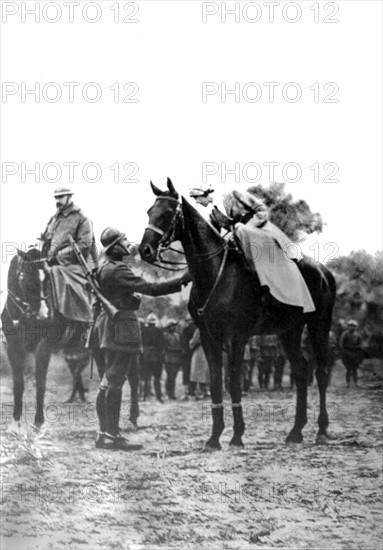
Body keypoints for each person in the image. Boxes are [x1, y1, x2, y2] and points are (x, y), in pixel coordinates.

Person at [93, 227, 190, 450]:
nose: (128, 243)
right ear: (114, 246)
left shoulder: (104, 267)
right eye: (123, 240)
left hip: (109, 326)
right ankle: (112, 435)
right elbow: (151, 288)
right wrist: (181, 280)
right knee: (116, 380)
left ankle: (103, 433)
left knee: (107, 382)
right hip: (122, 325)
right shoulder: (118, 270)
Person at [215, 189, 316, 314]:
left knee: (243, 232)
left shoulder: (239, 195)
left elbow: (262, 210)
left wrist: (248, 226)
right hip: (240, 231)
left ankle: (268, 285)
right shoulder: (220, 201)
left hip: (260, 229)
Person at [40, 185, 98, 266]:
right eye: (56, 197)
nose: (57, 201)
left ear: (69, 197)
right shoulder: (53, 219)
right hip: (50, 264)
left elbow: (84, 246)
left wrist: (59, 257)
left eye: (60, 197)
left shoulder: (82, 218)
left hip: (73, 266)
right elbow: (45, 239)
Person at [141, 313, 165, 402]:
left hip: (146, 356)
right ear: (155, 322)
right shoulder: (159, 331)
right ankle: (159, 397)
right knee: (157, 378)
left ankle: (144, 396)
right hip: (156, 357)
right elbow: (162, 344)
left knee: (146, 377)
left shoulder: (143, 331)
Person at [163, 320, 183, 400]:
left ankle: (172, 392)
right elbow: (165, 347)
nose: (174, 327)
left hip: (176, 358)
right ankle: (169, 392)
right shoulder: (165, 335)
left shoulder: (177, 335)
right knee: (170, 376)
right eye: (172, 326)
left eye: (175, 326)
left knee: (173, 376)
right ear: (168, 327)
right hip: (168, 358)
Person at [340, 320, 363, 387]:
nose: (352, 327)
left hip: (355, 354)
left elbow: (360, 344)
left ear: (356, 327)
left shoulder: (358, 335)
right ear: (348, 326)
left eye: (353, 326)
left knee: (355, 369)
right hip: (347, 353)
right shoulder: (345, 334)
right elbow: (342, 344)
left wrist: (359, 352)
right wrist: (344, 353)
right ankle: (348, 383)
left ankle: (355, 382)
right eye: (350, 326)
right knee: (348, 369)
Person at [189, 328, 210, 399]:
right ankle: (194, 392)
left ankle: (200, 391)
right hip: (202, 352)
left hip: (203, 352)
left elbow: (192, 343)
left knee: (201, 373)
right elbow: (193, 342)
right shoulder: (200, 329)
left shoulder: (201, 329)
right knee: (199, 372)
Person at [180, 314, 197, 399]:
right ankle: (193, 392)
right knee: (194, 373)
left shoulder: (186, 330)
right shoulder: (198, 329)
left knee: (186, 372)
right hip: (195, 353)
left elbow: (183, 343)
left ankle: (186, 392)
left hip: (186, 354)